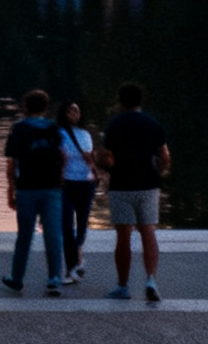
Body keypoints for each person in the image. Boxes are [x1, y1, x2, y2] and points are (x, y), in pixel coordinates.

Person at [98, 83, 169, 301]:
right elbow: (165, 155)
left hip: (121, 185)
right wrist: (160, 173)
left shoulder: (114, 125)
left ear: (120, 101)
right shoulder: (153, 123)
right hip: (148, 184)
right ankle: (150, 280)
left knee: (123, 236)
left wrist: (105, 166)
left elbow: (108, 157)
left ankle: (123, 285)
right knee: (148, 231)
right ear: (141, 100)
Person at [0, 89, 67, 295]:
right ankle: (54, 278)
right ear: (46, 107)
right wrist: (60, 181)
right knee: (53, 234)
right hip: (51, 187)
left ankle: (17, 278)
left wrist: (10, 190)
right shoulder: (54, 129)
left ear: (25, 106)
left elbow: (12, 163)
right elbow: (63, 156)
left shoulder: (19, 129)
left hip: (27, 187)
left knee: (25, 235)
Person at [58, 100, 100, 283]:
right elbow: (57, 155)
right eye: (70, 111)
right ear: (63, 113)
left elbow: (90, 158)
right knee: (67, 225)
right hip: (65, 182)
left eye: (76, 111)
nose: (74, 114)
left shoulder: (85, 134)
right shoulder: (58, 133)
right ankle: (71, 269)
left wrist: (93, 161)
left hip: (85, 182)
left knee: (82, 225)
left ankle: (78, 258)